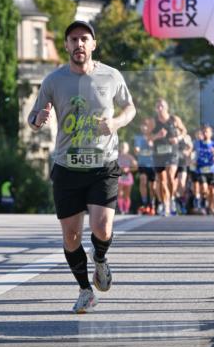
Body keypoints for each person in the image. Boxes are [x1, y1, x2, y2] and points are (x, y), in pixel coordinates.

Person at [29, 19, 136, 313]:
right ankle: (85, 290)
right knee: (71, 236)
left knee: (102, 228)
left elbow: (130, 108)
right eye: (73, 39)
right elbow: (34, 116)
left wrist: (114, 123)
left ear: (93, 44)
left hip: (103, 164)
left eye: (84, 39)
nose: (78, 44)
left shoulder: (111, 76)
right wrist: (39, 119)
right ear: (66, 45)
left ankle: (99, 259)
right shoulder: (53, 80)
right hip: (68, 166)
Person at [151, 98, 179, 216]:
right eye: (158, 106)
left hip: (172, 152)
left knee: (170, 176)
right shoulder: (153, 121)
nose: (160, 108)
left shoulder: (174, 119)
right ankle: (164, 204)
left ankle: (172, 200)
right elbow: (148, 138)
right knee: (162, 181)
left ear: (167, 107)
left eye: (162, 106)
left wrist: (178, 138)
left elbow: (184, 131)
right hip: (158, 153)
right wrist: (158, 135)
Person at [192, 124, 214, 215]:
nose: (205, 133)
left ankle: (211, 207)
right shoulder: (197, 143)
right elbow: (191, 152)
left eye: (206, 132)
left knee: (212, 191)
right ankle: (206, 202)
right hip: (201, 170)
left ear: (211, 134)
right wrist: (192, 158)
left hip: (212, 170)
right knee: (204, 189)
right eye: (203, 132)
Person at [132, 116, 155, 214]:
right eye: (142, 126)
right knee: (143, 181)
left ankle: (153, 204)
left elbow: (158, 150)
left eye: (146, 126)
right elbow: (136, 150)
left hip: (153, 165)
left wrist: (152, 146)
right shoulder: (138, 137)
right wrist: (137, 150)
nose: (144, 128)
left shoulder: (154, 136)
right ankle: (145, 203)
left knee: (152, 186)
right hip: (142, 164)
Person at [116, 141, 137, 215]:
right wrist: (120, 169)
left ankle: (126, 209)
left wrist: (128, 169)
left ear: (127, 149)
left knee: (127, 195)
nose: (123, 148)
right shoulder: (117, 156)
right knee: (120, 193)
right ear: (120, 148)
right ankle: (121, 209)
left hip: (128, 176)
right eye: (122, 147)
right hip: (120, 176)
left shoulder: (130, 157)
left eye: (124, 147)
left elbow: (135, 167)